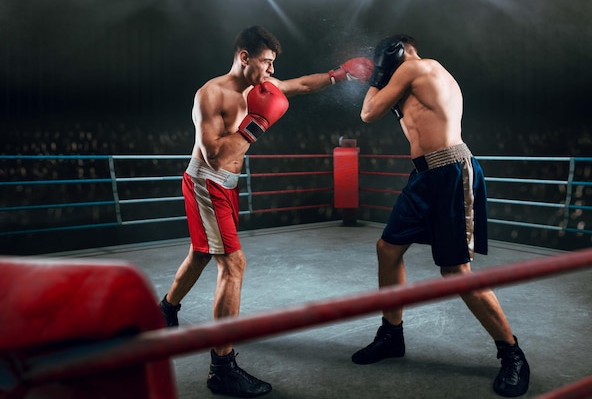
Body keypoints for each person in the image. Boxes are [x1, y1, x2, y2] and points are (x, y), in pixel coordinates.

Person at [159, 25, 373, 398]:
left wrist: (339, 74)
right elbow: (214, 155)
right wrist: (257, 123)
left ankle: (165, 311)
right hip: (207, 182)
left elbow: (303, 85)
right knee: (233, 264)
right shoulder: (211, 94)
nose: (272, 72)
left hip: (226, 185)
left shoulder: (262, 89)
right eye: (267, 63)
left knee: (202, 251)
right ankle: (222, 369)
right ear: (245, 57)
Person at [351, 34, 530, 398]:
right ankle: (391, 334)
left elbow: (368, 112)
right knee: (388, 248)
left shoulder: (417, 68)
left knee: (455, 273)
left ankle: (512, 353)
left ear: (400, 51)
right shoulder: (416, 78)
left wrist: (377, 74)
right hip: (424, 176)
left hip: (450, 171)